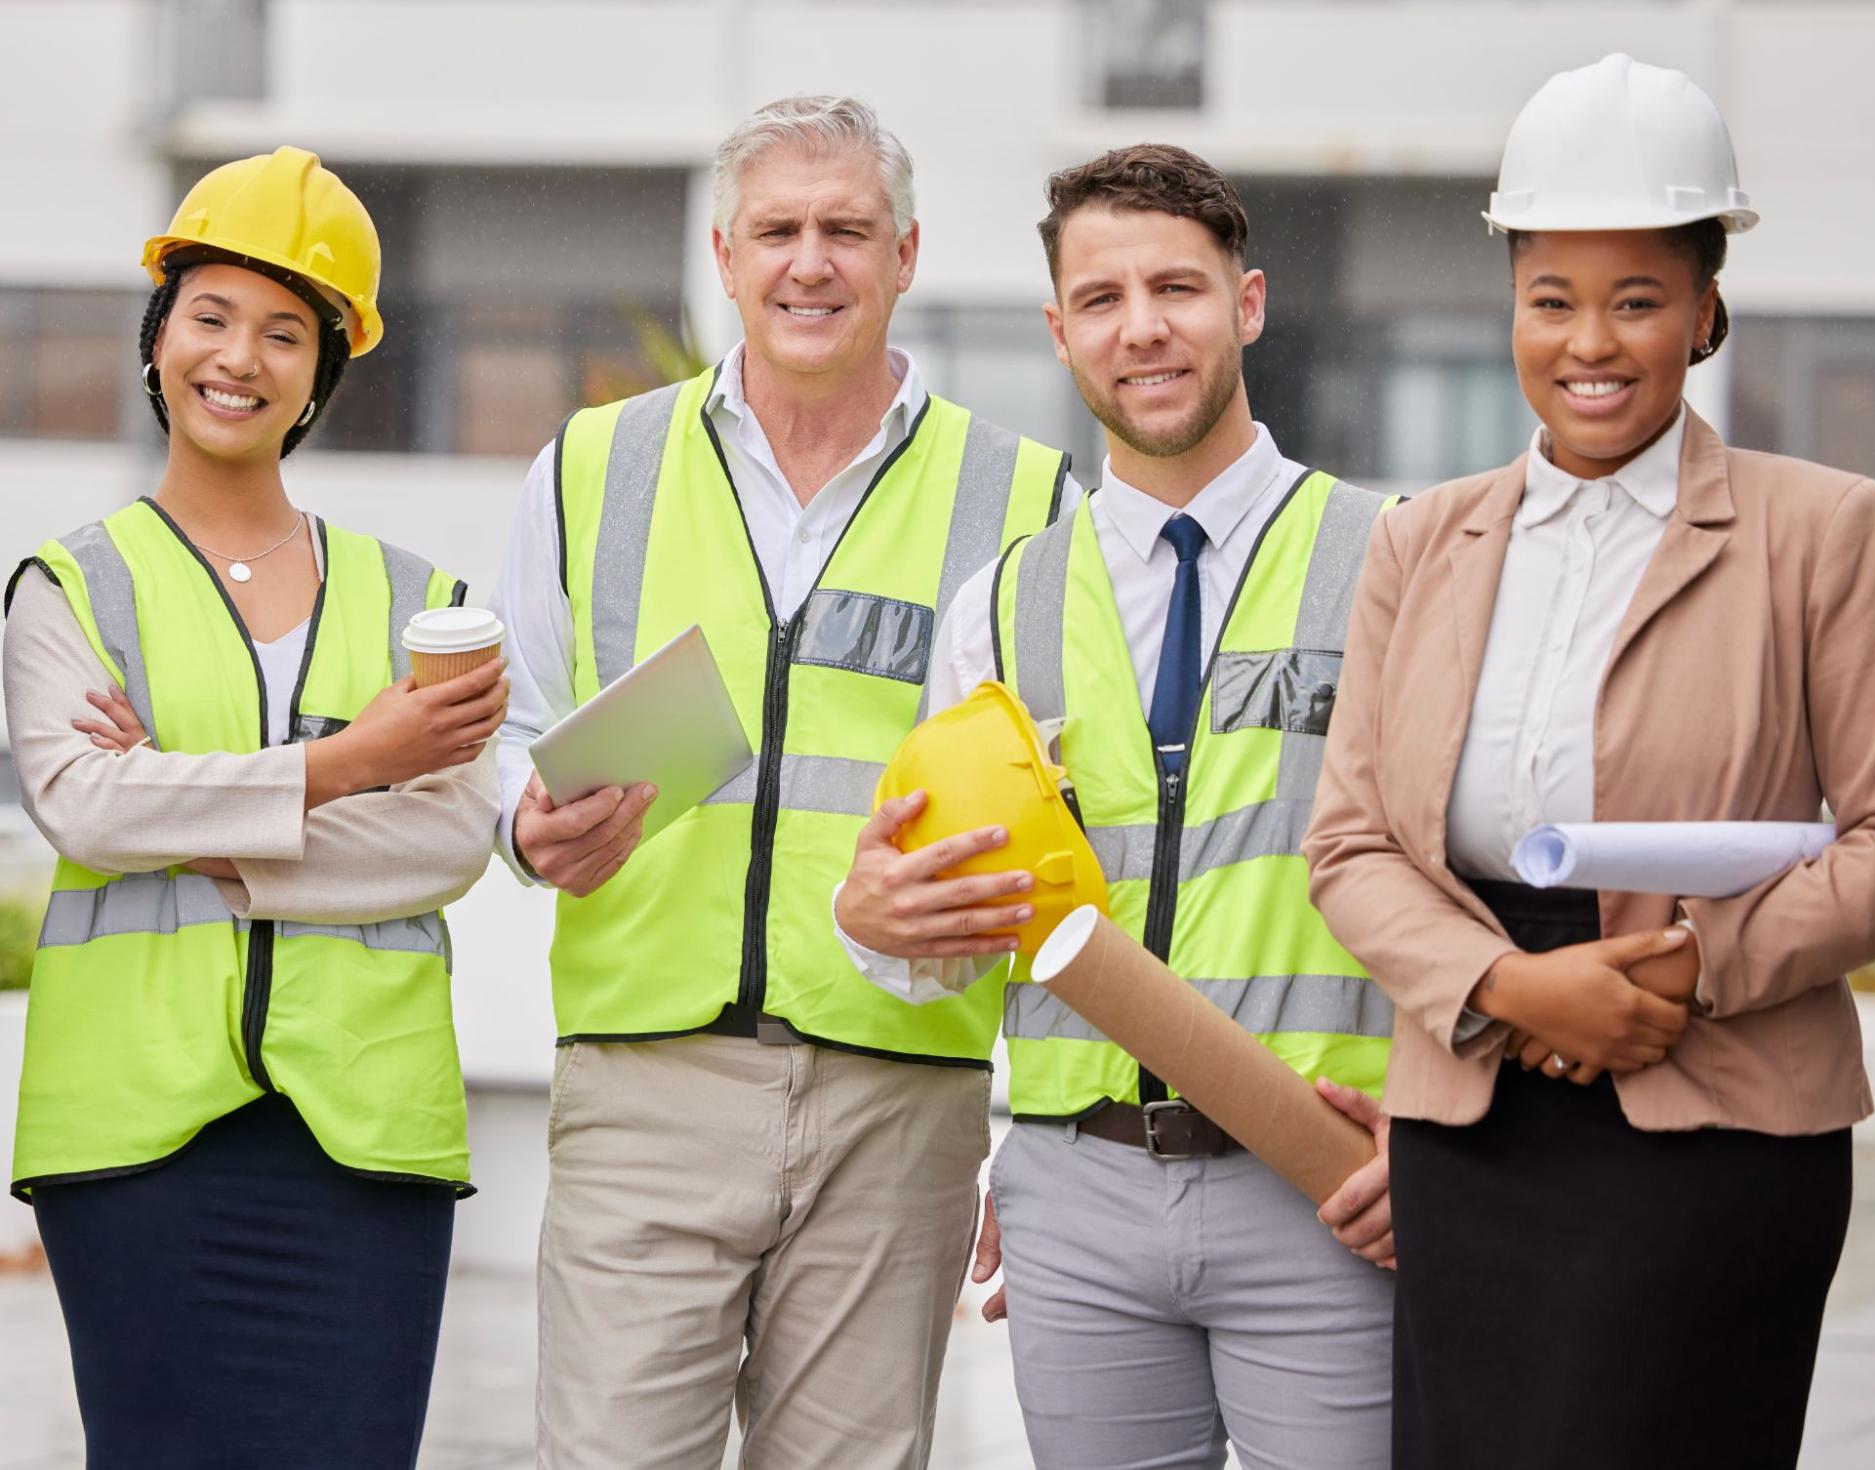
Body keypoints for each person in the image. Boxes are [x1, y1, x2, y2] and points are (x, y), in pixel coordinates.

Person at [1301, 54, 1875, 1470]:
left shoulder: (1825, 531)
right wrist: (1502, 982)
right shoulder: (1419, 541)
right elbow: (1352, 843)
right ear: (1511, 308)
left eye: (1636, 300)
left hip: (1714, 1125)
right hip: (1472, 1109)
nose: (1589, 342)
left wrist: (1695, 969)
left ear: (1706, 310)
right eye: (1552, 299)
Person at [490, 96, 1074, 1469]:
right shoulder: (591, 467)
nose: (810, 261)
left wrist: (1038, 1127)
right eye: (779, 230)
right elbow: (508, 733)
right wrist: (524, 828)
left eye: (846, 230)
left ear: (908, 253)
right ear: (725, 253)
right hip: (645, 1084)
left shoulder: (1028, 499)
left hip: (902, 1102)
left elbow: (1064, 837)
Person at [840, 144, 1397, 1470]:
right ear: (1060, 332)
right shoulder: (1001, 601)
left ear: (1247, 303)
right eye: (1101, 299)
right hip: (1074, 1192)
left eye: (1176, 288)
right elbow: (952, 936)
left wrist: (1456, 1146)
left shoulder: (1395, 557)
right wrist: (876, 922)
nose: (1142, 328)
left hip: (1327, 1179)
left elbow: (1467, 883)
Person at [3, 146, 504, 1469]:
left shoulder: (422, 599)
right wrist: (352, 761)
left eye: (288, 332)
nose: (241, 357)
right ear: (159, 335)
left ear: (324, 374)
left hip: (365, 1134)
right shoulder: (70, 587)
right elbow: (83, 804)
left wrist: (203, 824)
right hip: (135, 1136)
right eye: (212, 317)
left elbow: (452, 834)